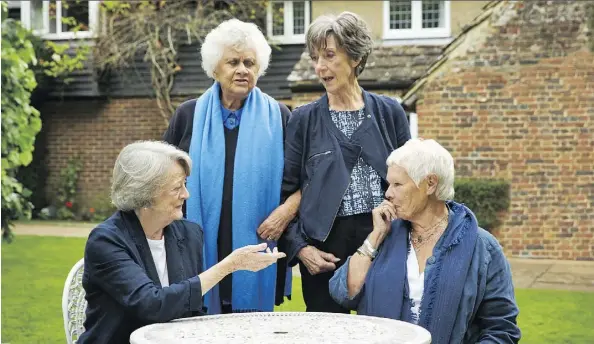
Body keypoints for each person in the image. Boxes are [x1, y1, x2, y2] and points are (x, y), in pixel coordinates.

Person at [79, 141, 285, 344]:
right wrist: (229, 266)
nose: (186, 195)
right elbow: (151, 305)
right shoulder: (106, 241)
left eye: (184, 185)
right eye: (177, 187)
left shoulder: (189, 233)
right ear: (144, 194)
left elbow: (190, 310)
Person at [163, 19, 300, 314]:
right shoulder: (187, 115)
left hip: (258, 239)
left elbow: (304, 181)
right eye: (233, 62)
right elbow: (161, 180)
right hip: (196, 245)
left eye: (250, 63)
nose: (242, 70)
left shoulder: (279, 116)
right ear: (215, 68)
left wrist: (285, 212)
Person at [279, 11, 411, 313]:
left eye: (328, 56)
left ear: (354, 58)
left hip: (383, 239)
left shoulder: (390, 113)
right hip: (324, 249)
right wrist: (302, 249)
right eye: (315, 58)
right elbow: (287, 193)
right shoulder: (303, 119)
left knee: (383, 329)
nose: (319, 67)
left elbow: (412, 184)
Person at [329, 138, 521, 343]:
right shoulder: (384, 235)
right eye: (389, 184)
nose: (388, 193)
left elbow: (501, 328)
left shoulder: (483, 247)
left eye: (398, 184)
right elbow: (344, 292)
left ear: (430, 184)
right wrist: (375, 236)